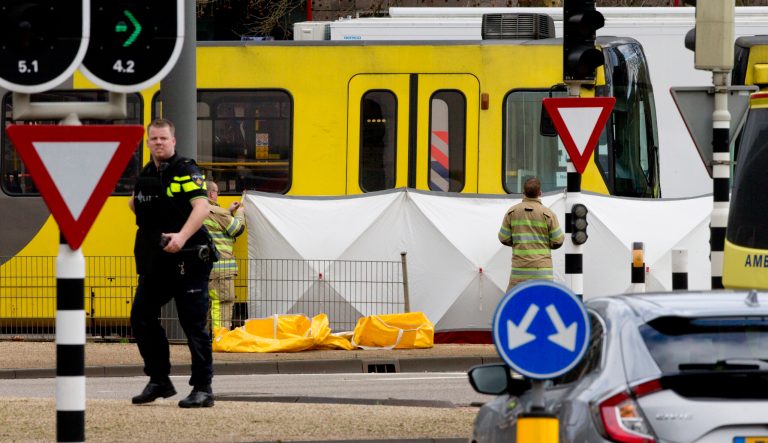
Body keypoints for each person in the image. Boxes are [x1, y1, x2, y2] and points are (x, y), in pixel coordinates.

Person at [128, 118, 215, 408]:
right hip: (157, 262)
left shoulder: (186, 170)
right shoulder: (146, 172)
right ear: (148, 142)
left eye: (163, 138)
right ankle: (159, 380)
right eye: (153, 139)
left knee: (193, 325)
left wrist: (181, 236)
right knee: (141, 316)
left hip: (189, 260)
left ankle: (203, 388)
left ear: (173, 141)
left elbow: (202, 207)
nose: (158, 143)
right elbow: (134, 203)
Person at [498, 177, 564, 291]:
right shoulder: (548, 214)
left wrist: (518, 243)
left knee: (517, 304)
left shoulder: (512, 212)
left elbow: (503, 237)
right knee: (543, 304)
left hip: (519, 274)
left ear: (523, 193)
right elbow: (558, 240)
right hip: (543, 273)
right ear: (540, 193)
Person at [203, 180, 245, 331]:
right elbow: (237, 229)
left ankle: (206, 340)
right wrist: (240, 213)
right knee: (223, 303)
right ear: (211, 193)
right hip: (221, 270)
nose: (218, 195)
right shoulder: (216, 212)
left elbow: (217, 225)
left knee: (209, 304)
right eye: (217, 192)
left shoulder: (198, 210)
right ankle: (220, 337)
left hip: (205, 269)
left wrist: (228, 211)